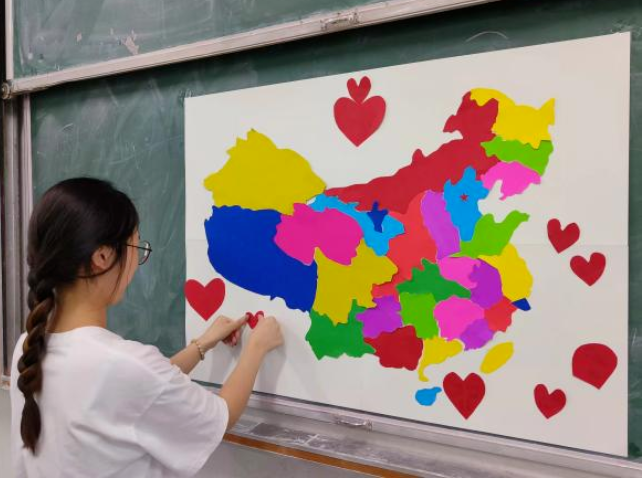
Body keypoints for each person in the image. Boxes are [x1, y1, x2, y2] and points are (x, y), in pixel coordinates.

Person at [9, 177, 284, 477]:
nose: (136, 260)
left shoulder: (27, 348)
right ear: (102, 257)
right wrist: (257, 346)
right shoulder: (122, 365)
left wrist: (201, 345)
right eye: (135, 246)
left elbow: (138, 388)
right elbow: (222, 415)